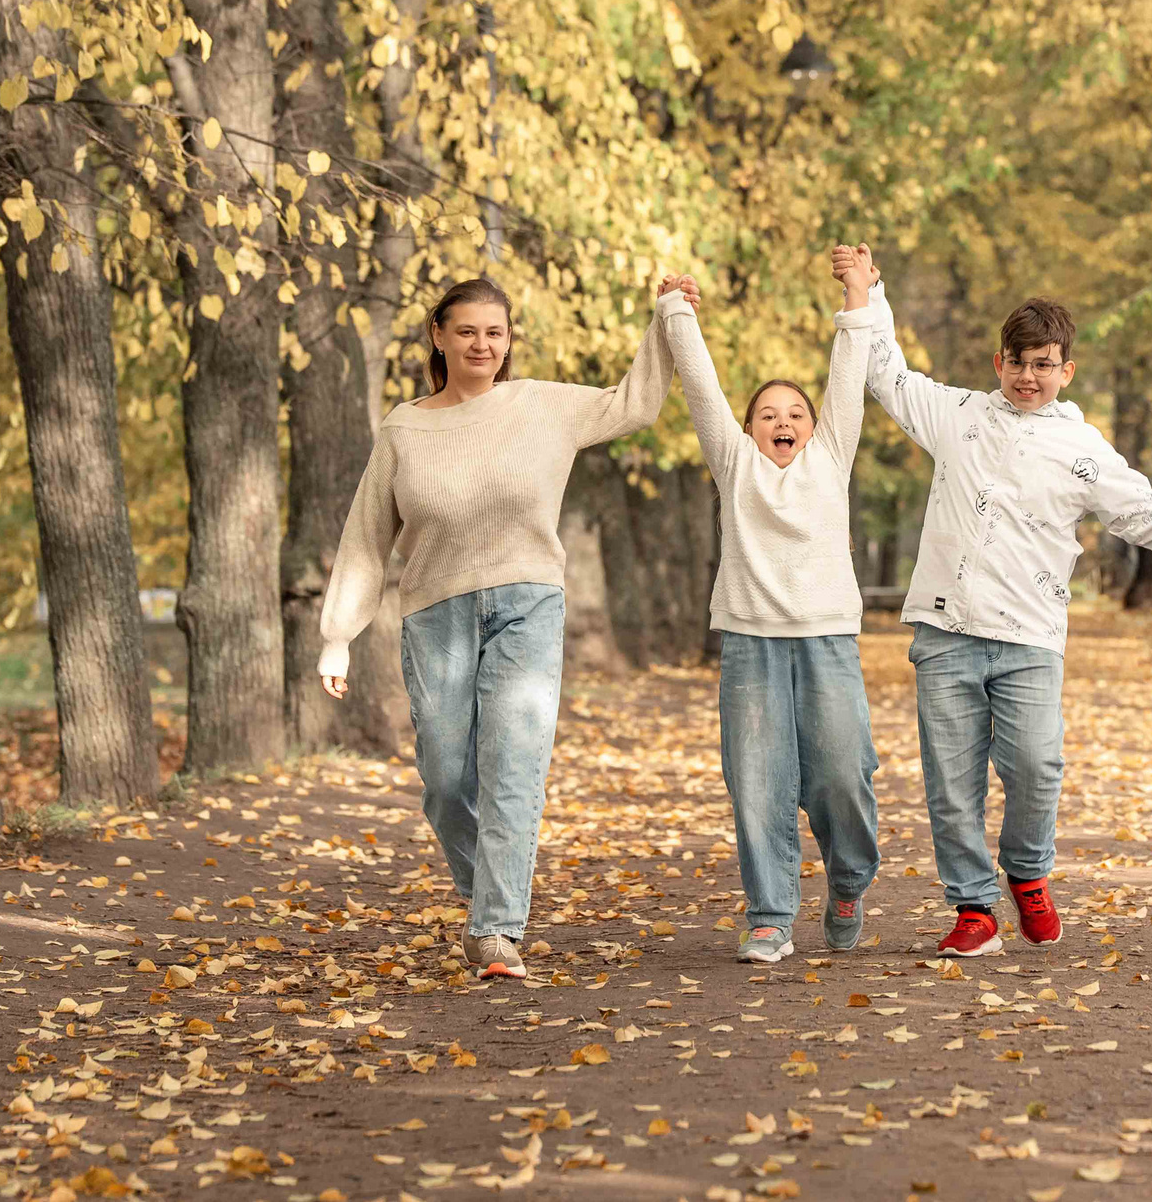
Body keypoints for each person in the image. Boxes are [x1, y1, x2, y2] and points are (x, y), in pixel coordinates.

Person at [832, 244, 1152, 958]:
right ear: (998, 362)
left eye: (1044, 364)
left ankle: (1027, 871)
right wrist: (868, 290)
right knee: (951, 783)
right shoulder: (958, 416)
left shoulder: (1083, 450)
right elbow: (887, 372)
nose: (1028, 375)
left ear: (1065, 370)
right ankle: (974, 906)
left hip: (1031, 637)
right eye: (1017, 360)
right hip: (944, 628)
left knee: (1035, 765)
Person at [315, 277, 669, 980]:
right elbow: (366, 534)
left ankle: (498, 929)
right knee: (447, 780)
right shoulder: (405, 426)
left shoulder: (545, 405)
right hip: (434, 609)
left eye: (496, 332)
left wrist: (668, 316)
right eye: (468, 330)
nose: (483, 343)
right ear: (439, 336)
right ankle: (490, 896)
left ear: (509, 341)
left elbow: (638, 401)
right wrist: (338, 631)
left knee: (514, 763)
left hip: (528, 601)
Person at [654, 269, 880, 965]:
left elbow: (847, 372)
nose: (783, 422)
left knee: (842, 772)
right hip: (751, 642)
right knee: (758, 779)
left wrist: (856, 297)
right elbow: (699, 384)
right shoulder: (733, 463)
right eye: (768, 414)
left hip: (826, 639)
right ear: (748, 430)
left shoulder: (832, 457)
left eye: (795, 414)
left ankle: (847, 881)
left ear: (814, 428)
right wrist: (676, 312)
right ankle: (770, 914)